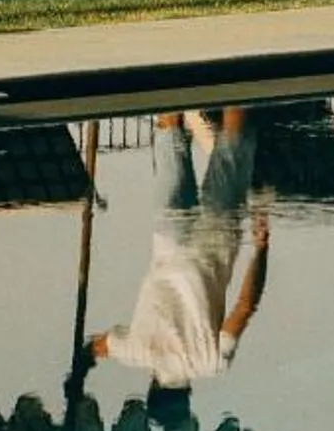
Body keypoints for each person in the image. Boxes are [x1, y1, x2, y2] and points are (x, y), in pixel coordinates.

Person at [88, 109, 269, 413]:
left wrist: (261, 249)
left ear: (187, 397)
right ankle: (171, 76)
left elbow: (245, 306)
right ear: (151, 388)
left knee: (231, 140)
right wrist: (79, 373)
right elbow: (97, 347)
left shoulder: (211, 363)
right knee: (170, 131)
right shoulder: (136, 353)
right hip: (169, 239)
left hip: (215, 240)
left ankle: (236, 72)